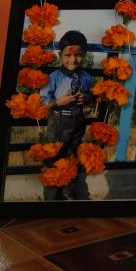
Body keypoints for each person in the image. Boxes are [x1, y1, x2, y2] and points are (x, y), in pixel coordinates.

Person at [39, 30, 94, 200]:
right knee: (54, 158)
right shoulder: (53, 78)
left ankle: (68, 192)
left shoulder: (86, 77)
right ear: (60, 55)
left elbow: (92, 95)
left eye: (78, 55)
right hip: (58, 121)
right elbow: (42, 102)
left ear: (84, 55)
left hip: (78, 120)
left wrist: (86, 97)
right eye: (67, 55)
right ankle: (52, 198)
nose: (73, 59)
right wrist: (58, 102)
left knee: (72, 157)